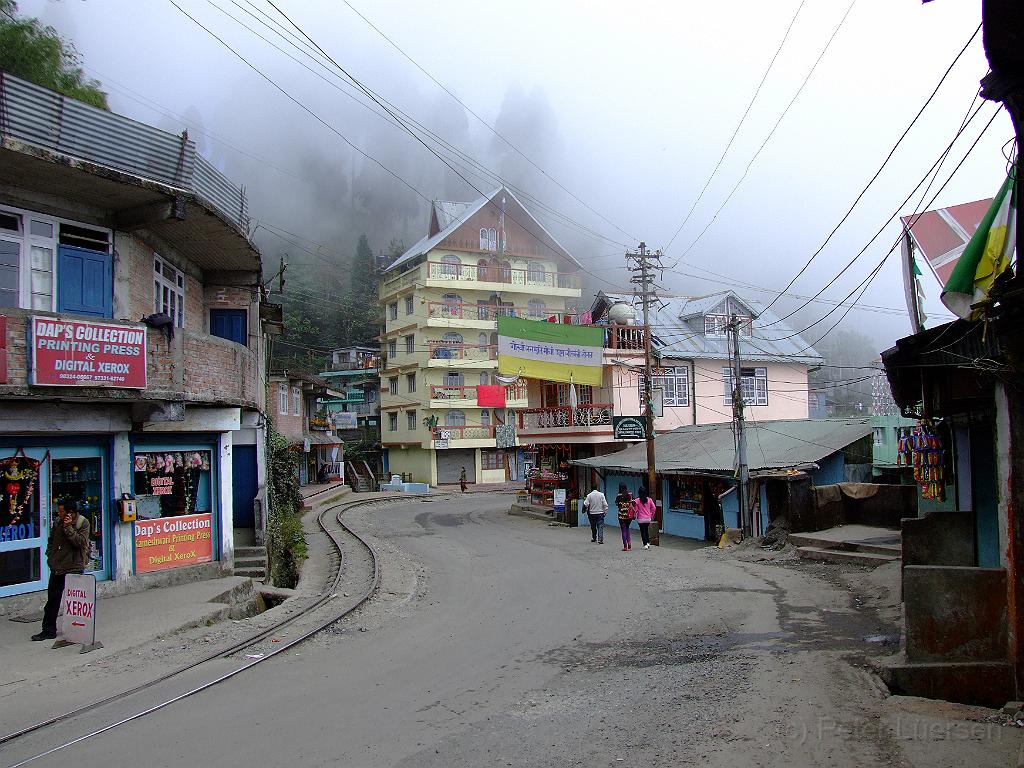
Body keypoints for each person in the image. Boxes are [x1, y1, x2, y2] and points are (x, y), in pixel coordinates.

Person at [33, 500, 91, 642]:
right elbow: (52, 540)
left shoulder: (82, 523)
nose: (59, 514)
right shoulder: (58, 521)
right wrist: (50, 554)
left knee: (75, 602)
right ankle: (48, 630)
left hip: (74, 567)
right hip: (58, 566)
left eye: (61, 511)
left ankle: (76, 630)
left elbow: (81, 543)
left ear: (70, 512)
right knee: (52, 600)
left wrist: (68, 528)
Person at [631, 486, 657, 550]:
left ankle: (645, 544)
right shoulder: (649, 500)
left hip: (640, 519)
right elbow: (654, 508)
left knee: (643, 532)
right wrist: (651, 515)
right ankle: (648, 542)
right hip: (648, 518)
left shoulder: (637, 500)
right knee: (646, 530)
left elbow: (636, 510)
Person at [615, 483, 633, 551]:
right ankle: (630, 544)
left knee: (623, 530)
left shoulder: (619, 495)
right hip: (629, 516)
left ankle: (625, 546)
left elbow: (617, 503)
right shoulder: (630, 494)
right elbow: (633, 502)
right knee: (628, 528)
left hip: (621, 516)